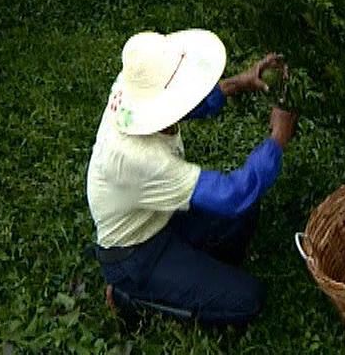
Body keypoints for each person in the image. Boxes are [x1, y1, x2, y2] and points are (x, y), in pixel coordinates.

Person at [88, 30, 295, 328]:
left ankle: (191, 271)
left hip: (162, 217)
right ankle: (129, 296)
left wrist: (239, 82)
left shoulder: (133, 90)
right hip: (137, 254)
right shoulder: (139, 158)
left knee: (246, 212)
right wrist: (278, 138)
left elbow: (184, 102)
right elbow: (232, 195)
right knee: (248, 300)